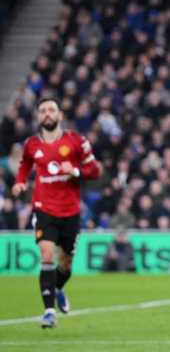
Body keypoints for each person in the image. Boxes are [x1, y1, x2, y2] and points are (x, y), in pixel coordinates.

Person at [11, 97, 102, 328]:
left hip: (70, 211)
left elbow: (95, 171)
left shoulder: (76, 141)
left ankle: (58, 288)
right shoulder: (32, 144)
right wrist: (20, 182)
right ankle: (49, 312)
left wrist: (75, 171)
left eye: (51, 110)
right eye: (42, 110)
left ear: (60, 114)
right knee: (47, 255)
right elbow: (25, 164)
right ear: (38, 116)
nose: (47, 114)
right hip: (44, 208)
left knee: (66, 264)